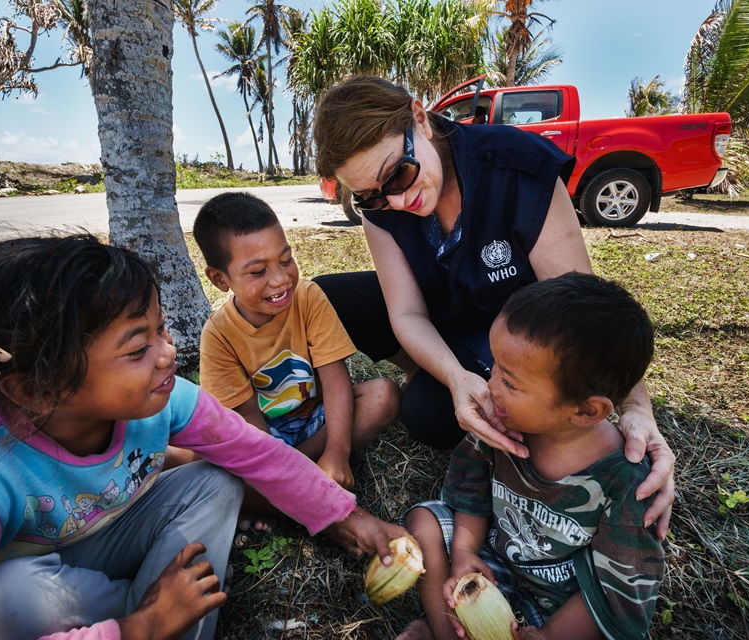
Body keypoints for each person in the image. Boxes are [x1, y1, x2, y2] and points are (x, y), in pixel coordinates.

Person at [0, 234, 407, 640]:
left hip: (111, 539)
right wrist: (140, 628)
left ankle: (176, 616)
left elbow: (257, 454)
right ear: (38, 386)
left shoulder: (167, 399)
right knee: (9, 604)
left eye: (161, 331)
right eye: (138, 348)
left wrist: (346, 515)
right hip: (34, 574)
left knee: (216, 480)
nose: (168, 353)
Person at [312, 75, 675, 537]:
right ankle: (434, 372)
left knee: (428, 416)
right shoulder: (382, 209)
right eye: (371, 196)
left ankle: (481, 382)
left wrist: (638, 407)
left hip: (523, 339)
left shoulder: (515, 165)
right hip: (445, 322)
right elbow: (406, 313)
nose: (397, 201)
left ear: (420, 120)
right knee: (329, 295)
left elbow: (586, 307)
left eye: (398, 174)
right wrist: (453, 376)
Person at [401, 273, 665, 640]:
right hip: (492, 562)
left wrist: (548, 634)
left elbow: (619, 589)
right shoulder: (501, 426)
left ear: (587, 411)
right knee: (425, 522)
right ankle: (443, 626)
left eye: (509, 383)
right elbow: (470, 491)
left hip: (563, 604)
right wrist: (463, 553)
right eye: (493, 366)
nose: (490, 386)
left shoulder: (625, 480)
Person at [192, 193, 400, 506]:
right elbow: (248, 418)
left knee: (383, 396)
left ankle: (288, 486)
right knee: (203, 460)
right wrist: (276, 463)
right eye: (258, 272)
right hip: (265, 436)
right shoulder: (218, 334)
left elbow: (334, 376)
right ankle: (295, 480)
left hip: (318, 420)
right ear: (220, 279)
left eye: (286, 260)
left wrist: (337, 452)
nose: (280, 279)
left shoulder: (308, 297)